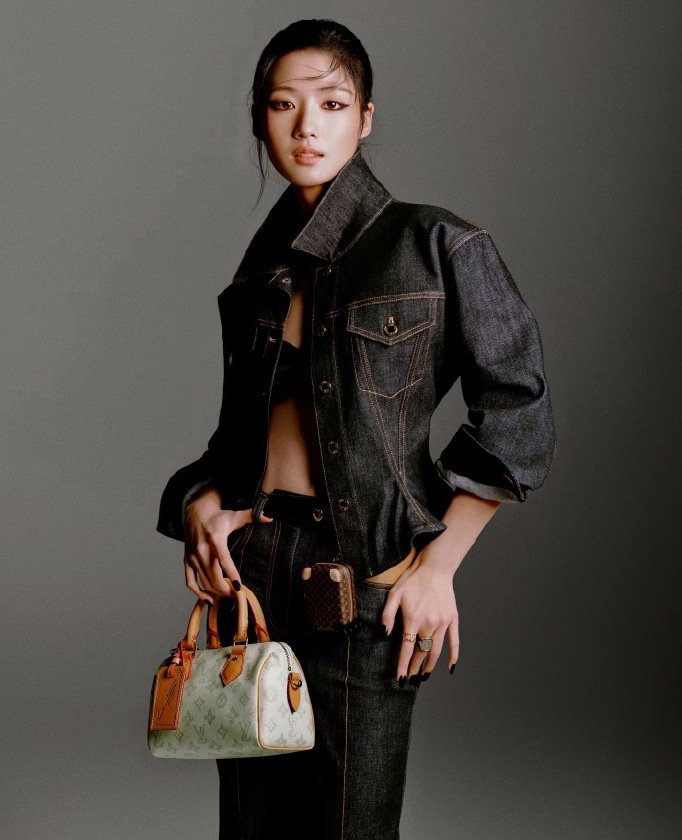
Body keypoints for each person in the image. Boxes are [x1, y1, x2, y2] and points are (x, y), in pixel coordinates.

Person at [156, 18, 556, 840]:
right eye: (283, 104)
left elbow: (519, 409)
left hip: (365, 580)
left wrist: (438, 566)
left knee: (352, 826)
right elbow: (236, 441)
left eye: (333, 104)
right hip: (254, 576)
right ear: (260, 118)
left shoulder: (436, 244)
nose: (308, 126)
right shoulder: (260, 272)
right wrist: (201, 503)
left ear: (366, 117)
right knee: (252, 825)